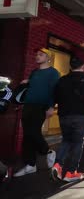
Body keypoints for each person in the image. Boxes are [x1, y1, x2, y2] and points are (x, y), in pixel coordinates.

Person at [51, 57, 84, 182]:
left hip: (64, 115)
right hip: (80, 115)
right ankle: (71, 172)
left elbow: (55, 97)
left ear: (70, 67)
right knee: (78, 142)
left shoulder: (62, 80)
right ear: (82, 67)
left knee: (66, 140)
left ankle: (57, 165)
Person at [14, 48, 60, 177]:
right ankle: (30, 165)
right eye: (37, 54)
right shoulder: (34, 72)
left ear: (48, 58)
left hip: (41, 107)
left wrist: (51, 107)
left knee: (33, 132)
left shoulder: (53, 73)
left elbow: (54, 91)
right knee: (27, 136)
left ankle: (47, 151)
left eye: (41, 54)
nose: (37, 56)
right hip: (28, 105)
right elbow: (34, 86)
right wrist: (27, 82)